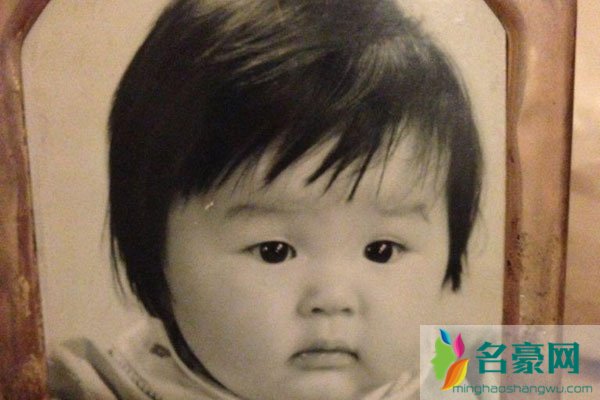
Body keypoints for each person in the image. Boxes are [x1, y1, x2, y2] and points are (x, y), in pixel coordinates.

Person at [49, 0, 482, 399]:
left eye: (381, 250)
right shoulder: (94, 388)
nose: (333, 298)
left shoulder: (471, 380)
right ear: (154, 257)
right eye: (274, 251)